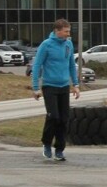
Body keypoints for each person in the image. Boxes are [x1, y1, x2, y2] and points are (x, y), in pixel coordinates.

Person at [31, 19, 80, 161]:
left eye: (69, 31)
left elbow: (71, 65)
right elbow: (37, 66)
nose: (68, 34)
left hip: (64, 86)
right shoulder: (46, 45)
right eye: (66, 31)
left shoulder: (68, 44)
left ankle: (59, 149)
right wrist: (35, 87)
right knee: (53, 117)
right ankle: (46, 143)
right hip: (49, 85)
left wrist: (75, 85)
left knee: (64, 119)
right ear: (57, 31)